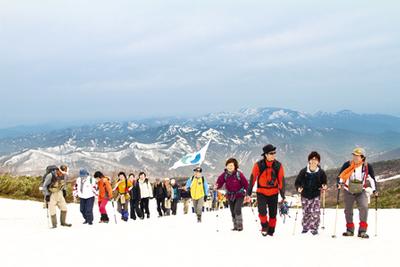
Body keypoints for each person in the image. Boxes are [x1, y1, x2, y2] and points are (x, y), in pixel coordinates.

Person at [245, 144, 286, 236]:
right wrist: (249, 193)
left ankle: (271, 229)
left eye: (274, 153)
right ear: (265, 155)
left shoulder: (278, 165)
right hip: (261, 193)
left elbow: (281, 181)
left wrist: (283, 196)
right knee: (262, 212)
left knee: (273, 214)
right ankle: (264, 226)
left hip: (274, 193)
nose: (273, 155)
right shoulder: (258, 165)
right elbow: (252, 179)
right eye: (271, 153)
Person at [337, 147, 378, 239]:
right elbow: (341, 175)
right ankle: (350, 230)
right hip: (348, 190)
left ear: (362, 157)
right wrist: (339, 183)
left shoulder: (367, 166)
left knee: (364, 207)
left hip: (361, 191)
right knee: (348, 210)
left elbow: (372, 179)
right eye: (354, 155)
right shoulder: (347, 164)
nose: (355, 157)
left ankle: (362, 231)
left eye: (357, 156)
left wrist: (375, 190)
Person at [294, 152, 328, 235]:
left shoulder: (321, 172)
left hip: (316, 194)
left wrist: (324, 186)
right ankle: (305, 227)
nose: (313, 161)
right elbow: (297, 182)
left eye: (316, 159)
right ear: (309, 161)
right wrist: (298, 187)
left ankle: (314, 228)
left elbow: (324, 182)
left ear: (318, 162)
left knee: (315, 212)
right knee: (306, 212)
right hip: (305, 194)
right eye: (312, 159)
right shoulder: (303, 171)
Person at [215, 158, 249, 231]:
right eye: (228, 165)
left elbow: (246, 183)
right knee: (232, 210)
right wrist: (217, 186)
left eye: (231, 166)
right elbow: (219, 182)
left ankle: (240, 225)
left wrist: (248, 193)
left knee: (237, 209)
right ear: (226, 166)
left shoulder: (239, 174)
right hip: (230, 195)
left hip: (240, 195)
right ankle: (235, 226)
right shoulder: (225, 175)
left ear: (235, 166)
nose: (230, 167)